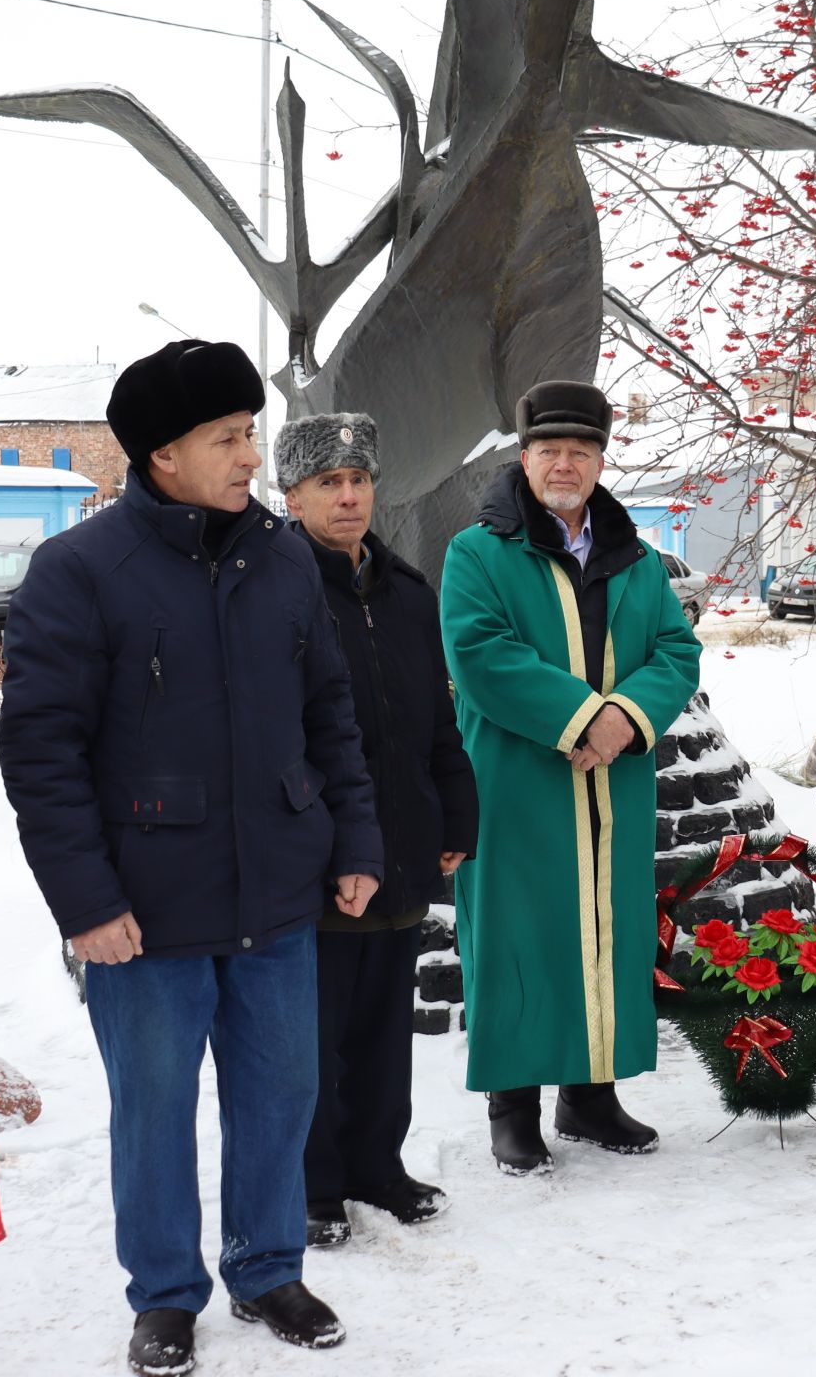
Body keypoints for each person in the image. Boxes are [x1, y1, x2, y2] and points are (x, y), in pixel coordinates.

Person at [0, 339, 383, 1375]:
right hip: (145, 911)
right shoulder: (80, 572)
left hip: (278, 893)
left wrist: (352, 837)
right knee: (155, 1112)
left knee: (279, 1096)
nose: (250, 455)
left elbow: (329, 714)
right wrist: (84, 902)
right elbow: (39, 751)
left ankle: (267, 1271)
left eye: (250, 432)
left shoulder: (284, 555)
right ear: (161, 455)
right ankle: (165, 1294)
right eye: (228, 437)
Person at [440, 379, 701, 1175]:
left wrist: (625, 717)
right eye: (549, 450)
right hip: (518, 783)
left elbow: (676, 651)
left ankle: (589, 1097)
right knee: (517, 937)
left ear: (598, 463)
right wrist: (585, 716)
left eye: (579, 452)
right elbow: (481, 654)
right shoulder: (478, 550)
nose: (564, 463)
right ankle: (512, 1105)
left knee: (605, 936)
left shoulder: (636, 559)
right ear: (524, 460)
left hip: (612, 786)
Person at [276, 413, 479, 1248]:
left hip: (401, 840)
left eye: (360, 481)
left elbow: (437, 715)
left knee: (383, 1026)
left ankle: (376, 1166)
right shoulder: (276, 589)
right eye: (330, 482)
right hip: (318, 852)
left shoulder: (405, 592)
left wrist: (455, 808)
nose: (350, 497)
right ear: (291, 495)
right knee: (315, 1036)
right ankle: (316, 1183)